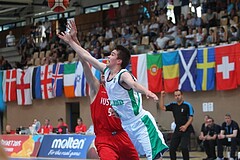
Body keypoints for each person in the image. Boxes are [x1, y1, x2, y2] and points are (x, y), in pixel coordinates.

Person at [58, 20, 168, 160]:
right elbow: (86, 58)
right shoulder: (102, 79)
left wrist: (147, 91)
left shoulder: (122, 75)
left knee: (155, 156)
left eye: (112, 54)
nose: (108, 56)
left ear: (119, 61)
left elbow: (133, 84)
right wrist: (72, 41)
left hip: (133, 127)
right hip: (118, 131)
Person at [67, 21, 139, 159]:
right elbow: (84, 61)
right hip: (104, 138)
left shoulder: (119, 87)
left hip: (121, 135)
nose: (103, 75)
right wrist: (74, 39)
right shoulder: (96, 88)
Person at [159, 90, 194, 160]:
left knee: (184, 147)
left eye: (178, 95)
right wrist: (162, 97)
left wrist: (185, 126)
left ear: (182, 95)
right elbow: (162, 107)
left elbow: (191, 118)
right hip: (177, 129)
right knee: (172, 148)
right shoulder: (173, 105)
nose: (177, 97)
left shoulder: (187, 105)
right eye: (176, 96)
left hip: (186, 129)